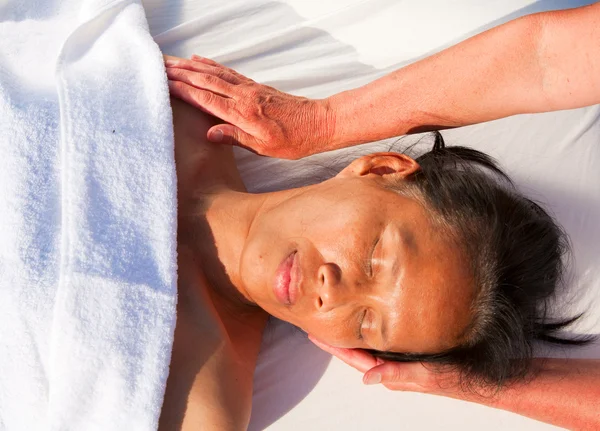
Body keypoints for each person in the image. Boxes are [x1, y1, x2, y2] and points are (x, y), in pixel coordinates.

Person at [162, 3, 600, 430]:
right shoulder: (167, 95)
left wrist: (472, 383)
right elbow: (542, 57)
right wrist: (324, 122)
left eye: (364, 323)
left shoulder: (195, 406)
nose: (332, 292)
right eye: (372, 258)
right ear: (380, 169)